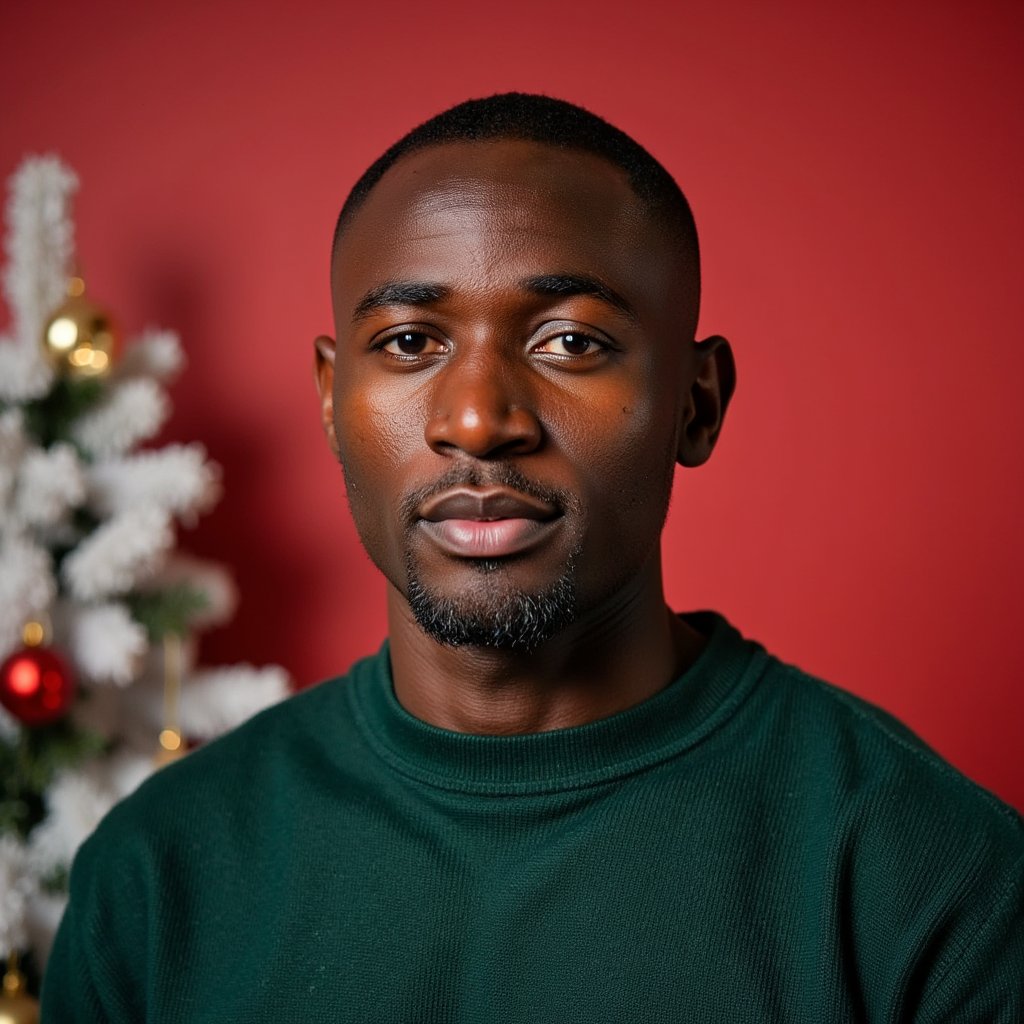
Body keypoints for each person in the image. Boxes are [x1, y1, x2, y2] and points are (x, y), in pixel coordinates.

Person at [42, 93, 1023, 1022]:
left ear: (696, 403)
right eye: (410, 342)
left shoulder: (931, 875)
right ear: (332, 402)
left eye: (570, 343)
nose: (477, 419)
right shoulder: (159, 875)